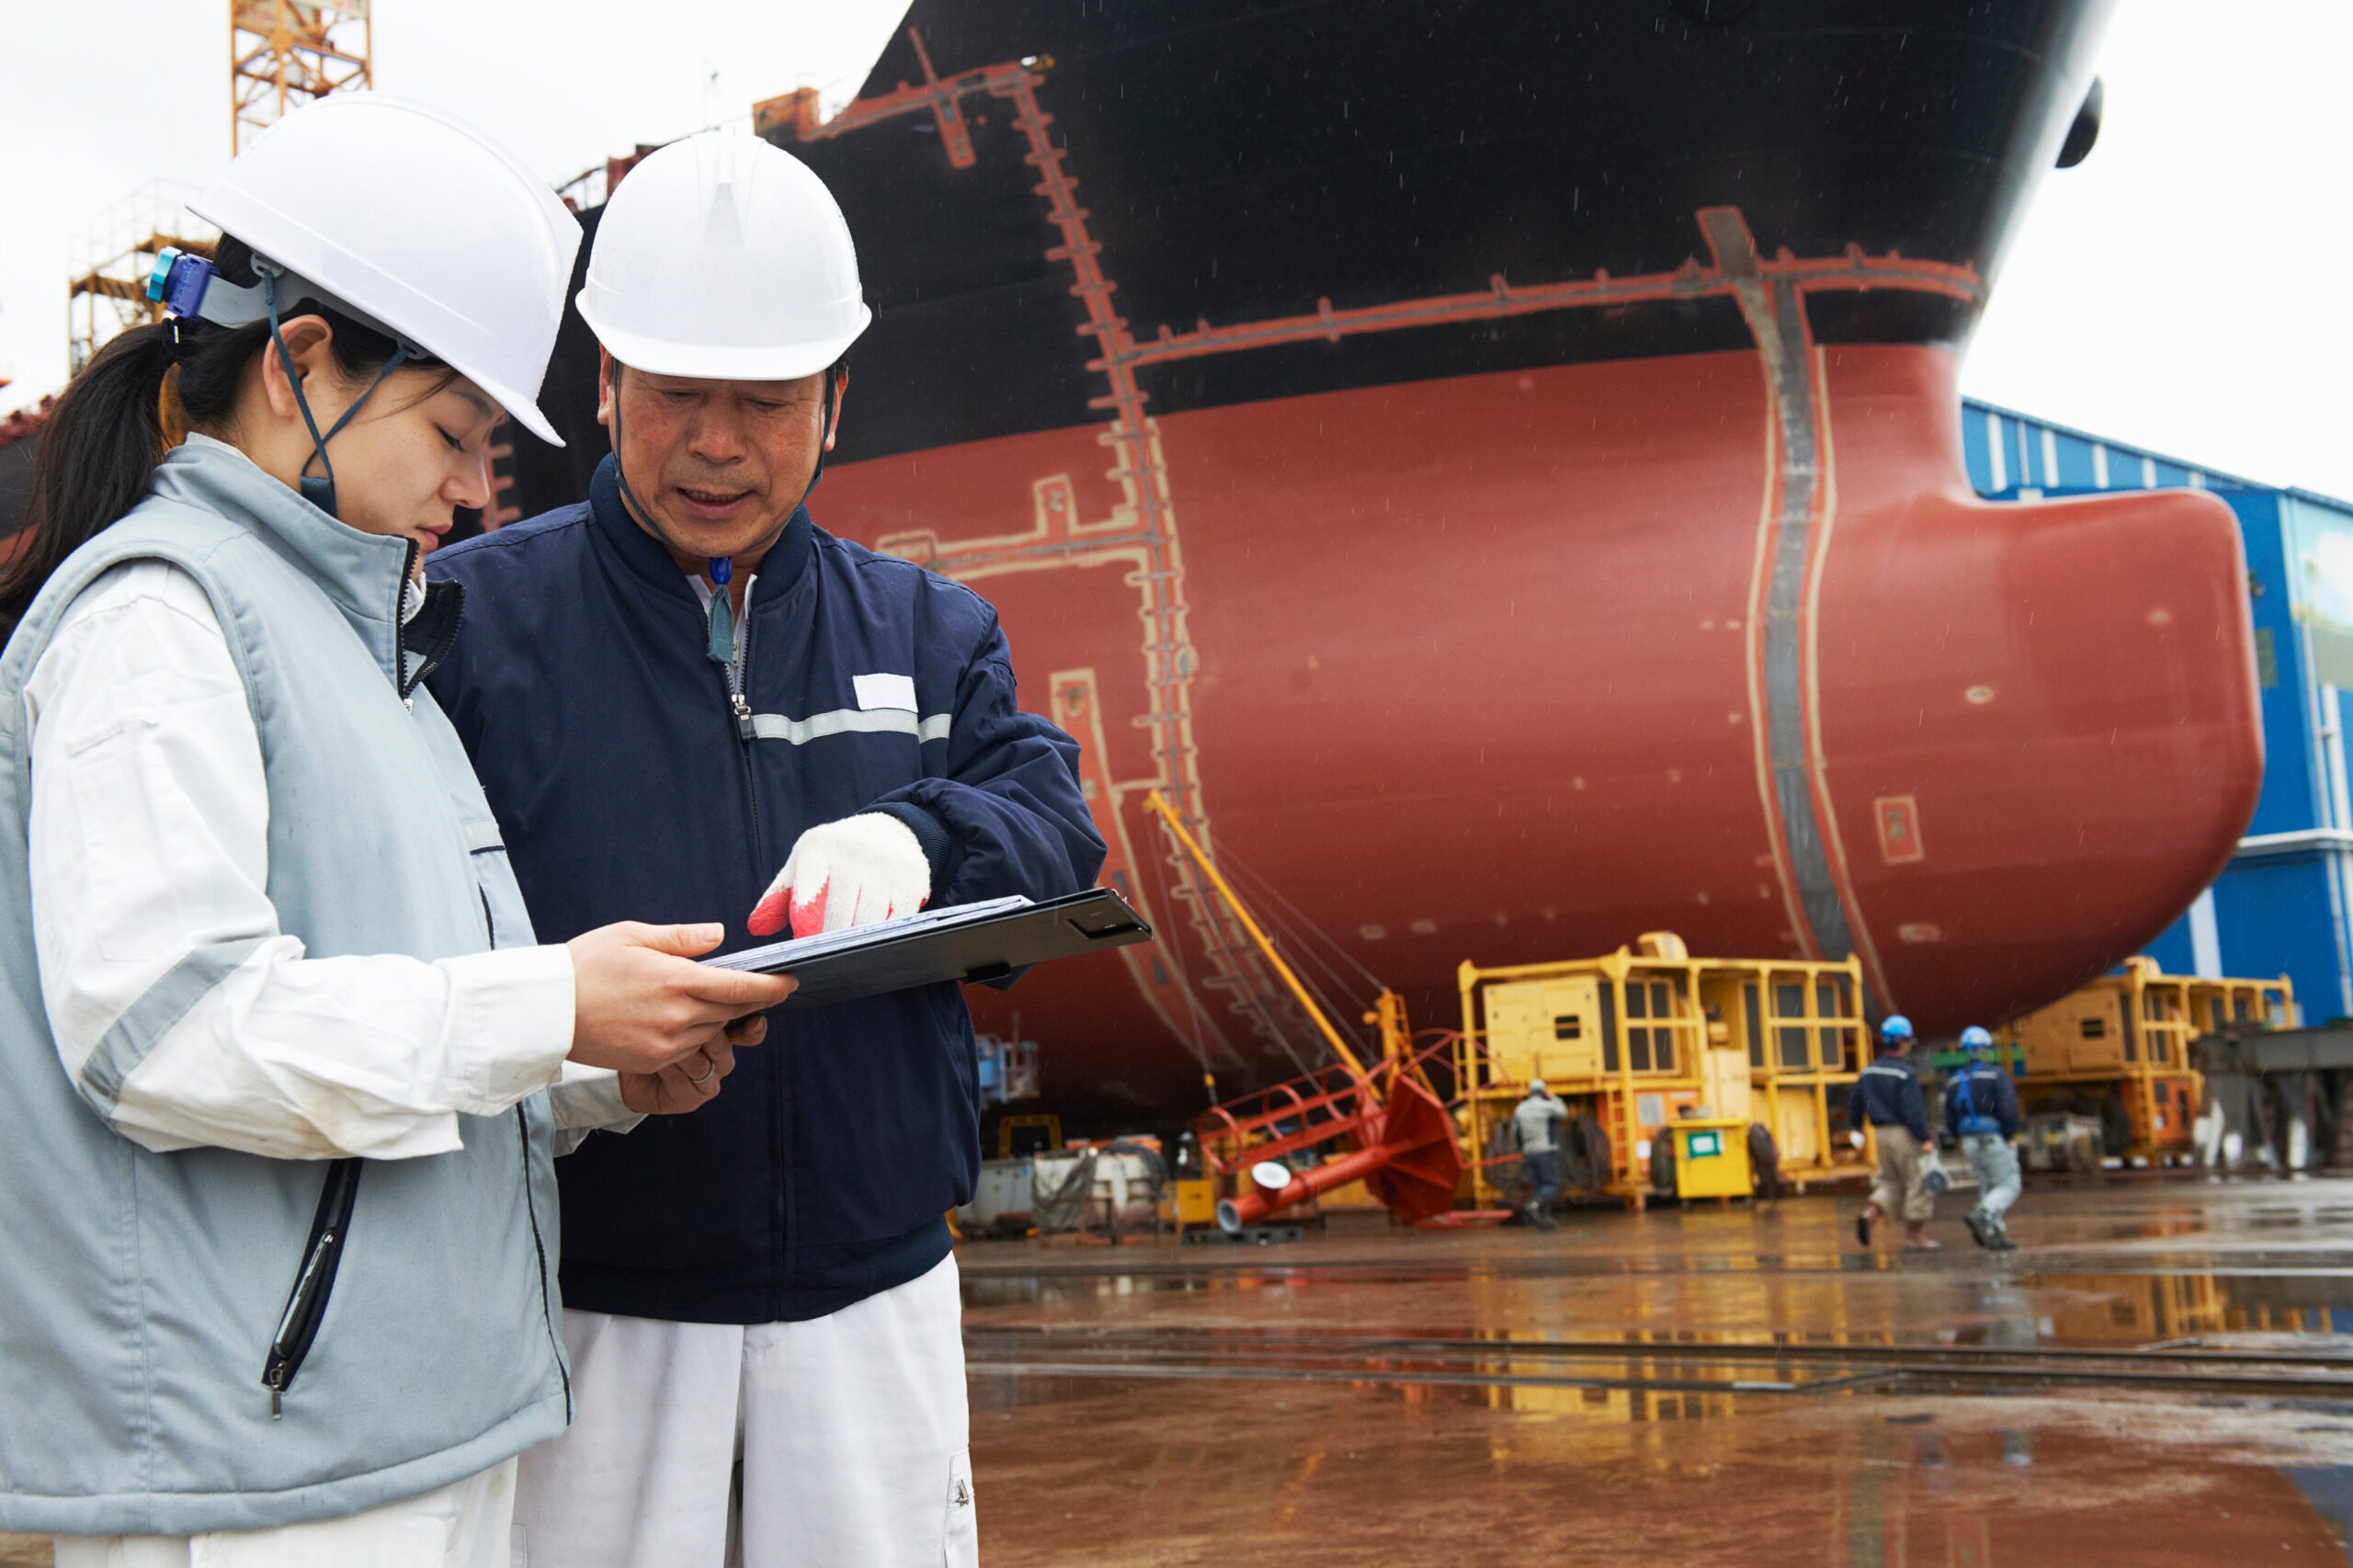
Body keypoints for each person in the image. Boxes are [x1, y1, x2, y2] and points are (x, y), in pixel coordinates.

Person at [0, 97, 793, 1562]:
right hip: (263, 1468)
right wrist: (551, 996)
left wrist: (595, 1066)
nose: (478, 484)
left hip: (410, 1428)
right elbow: (163, 1030)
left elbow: (400, 1035)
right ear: (301, 362)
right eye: (453, 430)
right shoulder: (160, 620)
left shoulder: (369, 652)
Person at [424, 131, 1105, 1568]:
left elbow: (1054, 821)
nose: (718, 442)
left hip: (873, 1300)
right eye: (675, 394)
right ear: (605, 383)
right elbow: (397, 934)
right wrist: (565, 1047)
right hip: (590, 1306)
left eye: (766, 400)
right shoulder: (473, 627)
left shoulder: (929, 631)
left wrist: (915, 831)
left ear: (835, 402)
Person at [1852, 1014, 1938, 1251]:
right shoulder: (1904, 1074)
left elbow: (1856, 1102)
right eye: (1908, 1042)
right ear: (1902, 1043)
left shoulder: (1868, 1072)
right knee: (1917, 1181)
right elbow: (1912, 1111)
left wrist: (1857, 1125)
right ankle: (1915, 1236)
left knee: (1890, 1182)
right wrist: (1924, 1138)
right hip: (1903, 1132)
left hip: (1880, 1134)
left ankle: (1870, 1214)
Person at [1948, 1025, 2022, 1250]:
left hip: (1969, 1141)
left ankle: (1993, 1233)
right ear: (1986, 1049)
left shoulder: (1955, 1080)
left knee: (1988, 1186)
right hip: (1993, 1137)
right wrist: (2009, 1134)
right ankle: (1982, 1215)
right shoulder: (1996, 1075)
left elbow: (1949, 1115)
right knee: (2009, 1184)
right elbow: (2008, 1108)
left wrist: (1956, 1137)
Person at [1513, 1078, 1569, 1230]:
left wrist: (1521, 1151)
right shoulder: (1546, 1106)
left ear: (1529, 1091)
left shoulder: (1520, 1109)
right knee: (1551, 1185)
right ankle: (1533, 1205)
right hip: (1544, 1151)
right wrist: (1554, 1097)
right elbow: (1563, 1113)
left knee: (1538, 1187)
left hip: (1528, 1153)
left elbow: (1516, 1132)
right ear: (1543, 1091)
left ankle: (1544, 1219)